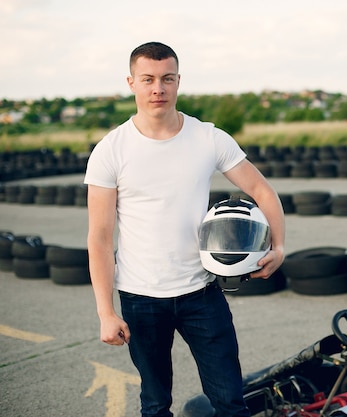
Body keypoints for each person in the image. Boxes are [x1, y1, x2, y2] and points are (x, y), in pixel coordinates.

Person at [84, 41, 285, 417]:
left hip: (202, 292)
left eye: (167, 78)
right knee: (156, 404)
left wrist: (280, 245)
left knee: (230, 401)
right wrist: (105, 312)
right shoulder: (111, 150)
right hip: (140, 298)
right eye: (148, 79)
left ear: (178, 82)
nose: (157, 88)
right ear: (131, 83)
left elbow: (262, 190)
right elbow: (99, 238)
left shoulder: (208, 137)